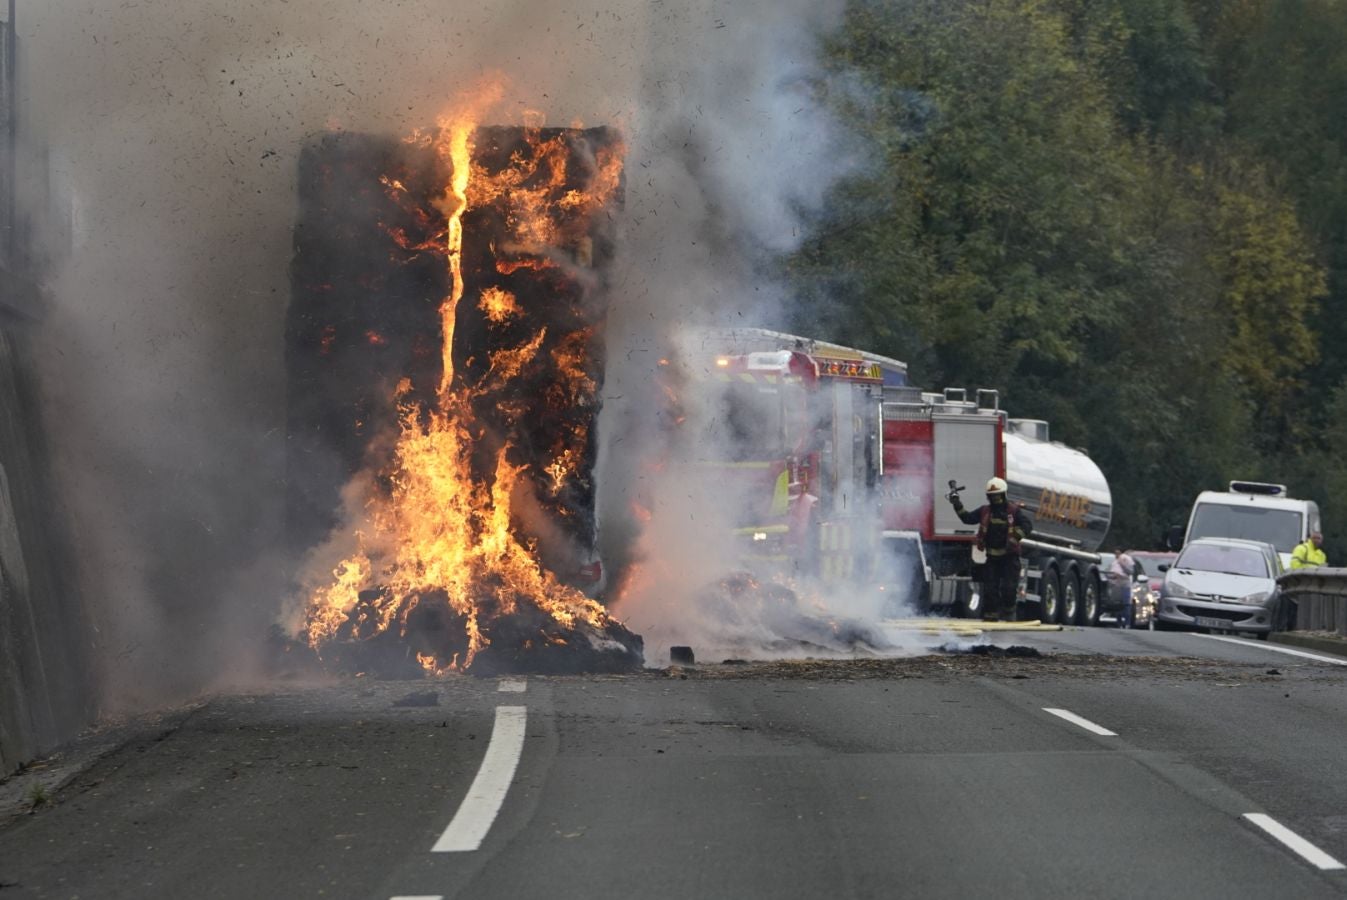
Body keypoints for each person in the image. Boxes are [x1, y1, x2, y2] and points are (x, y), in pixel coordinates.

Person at [948, 477, 1034, 621]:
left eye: (998, 496)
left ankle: (1009, 614)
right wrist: (957, 504)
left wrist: (1014, 538)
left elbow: (1027, 526)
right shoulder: (984, 511)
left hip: (1009, 558)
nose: (995, 499)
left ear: (1004, 495)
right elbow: (967, 518)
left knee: (1008, 589)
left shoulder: (1013, 511)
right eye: (992, 496)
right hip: (992, 558)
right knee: (990, 590)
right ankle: (990, 617)